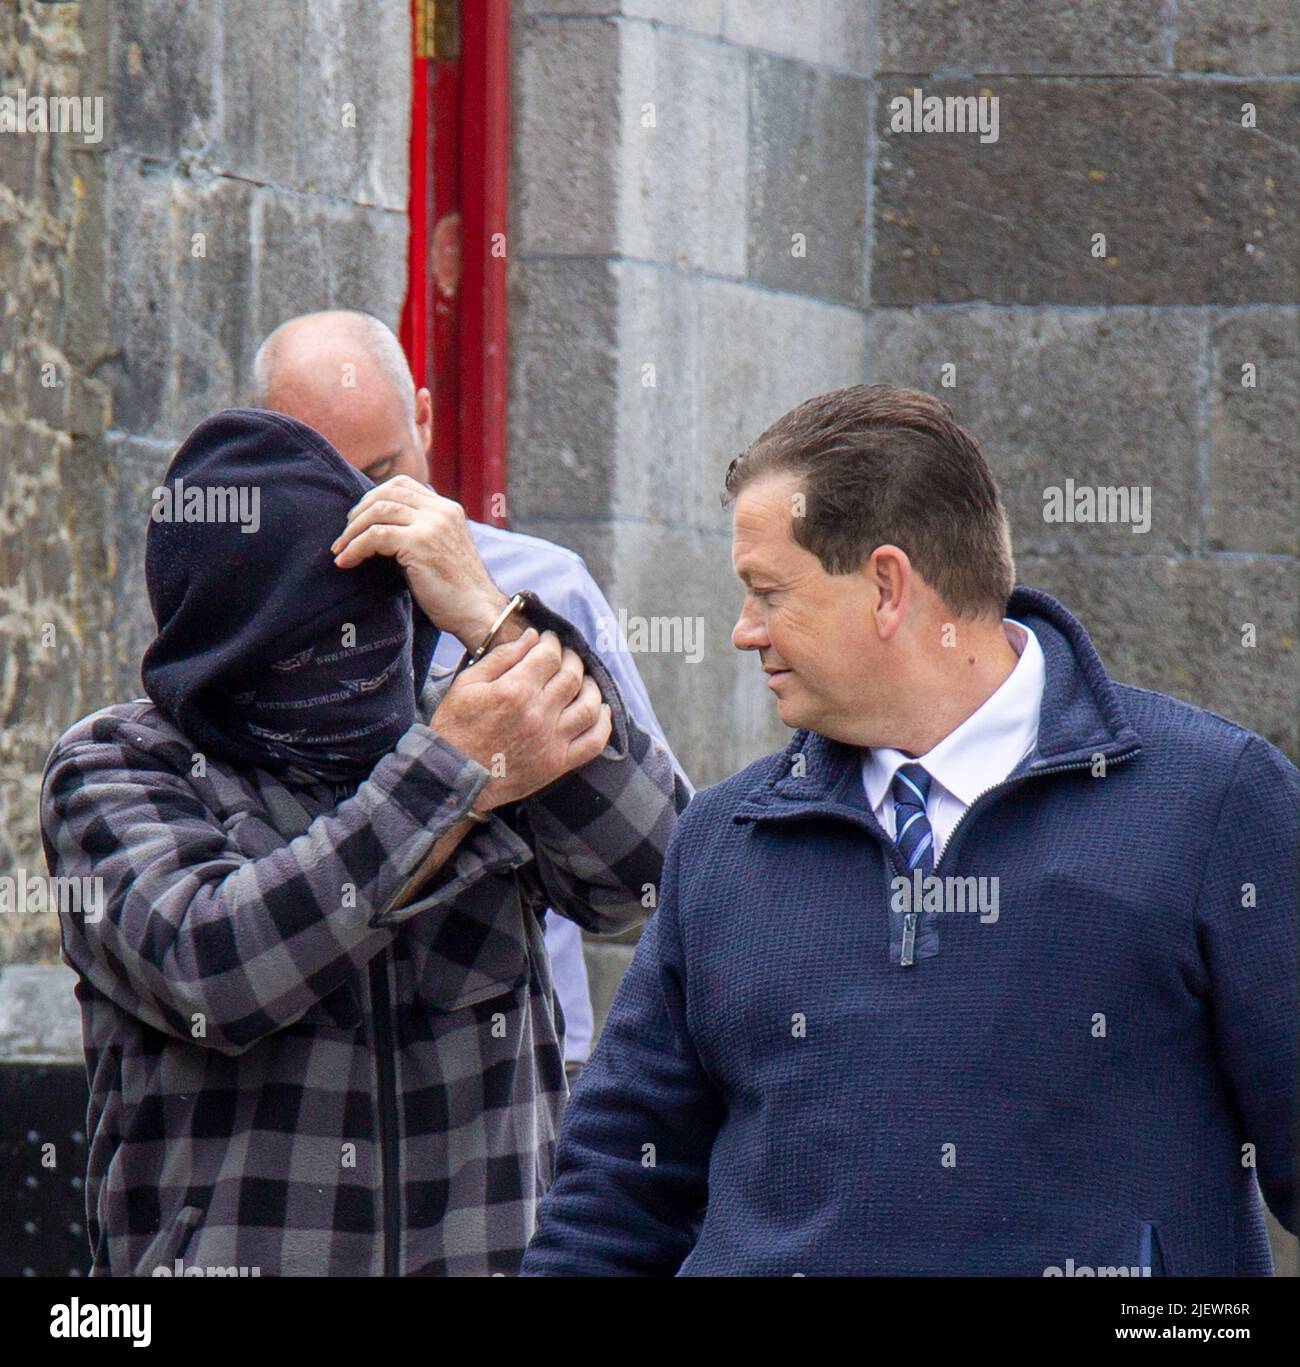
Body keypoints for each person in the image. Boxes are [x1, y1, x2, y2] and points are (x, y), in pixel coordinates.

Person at [521, 384, 1299, 1276]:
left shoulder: (1214, 802)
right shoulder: (724, 838)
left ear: (888, 585)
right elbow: (616, 1194)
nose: (744, 631)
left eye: (768, 591)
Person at [41, 407, 683, 1276]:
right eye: (315, 648)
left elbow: (658, 879)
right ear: (226, 648)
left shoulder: (464, 722)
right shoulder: (115, 766)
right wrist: (448, 780)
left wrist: (496, 623)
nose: (359, 673)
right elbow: (215, 965)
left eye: (378, 630)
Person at [248, 310, 692, 1079]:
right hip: (312, 1062)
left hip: (520, 1065)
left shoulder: (544, 583)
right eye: (328, 483)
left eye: (385, 470)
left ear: (424, 414)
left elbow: (667, 859)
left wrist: (494, 620)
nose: (367, 510)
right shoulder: (242, 614)